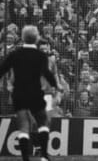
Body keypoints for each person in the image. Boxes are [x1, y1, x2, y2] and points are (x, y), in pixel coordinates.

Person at [0, 26, 57, 161]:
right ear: (37, 38)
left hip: (19, 94)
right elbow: (47, 73)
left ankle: (25, 158)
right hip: (36, 94)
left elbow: (2, 70)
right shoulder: (41, 56)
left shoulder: (14, 54)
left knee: (23, 126)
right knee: (42, 122)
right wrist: (55, 85)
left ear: (23, 37)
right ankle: (44, 155)